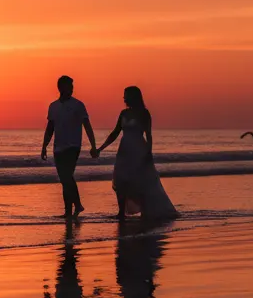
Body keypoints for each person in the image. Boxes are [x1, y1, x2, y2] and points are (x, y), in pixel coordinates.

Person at [98, 86, 178, 221]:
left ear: (134, 97)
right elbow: (115, 133)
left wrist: (148, 153)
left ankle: (145, 211)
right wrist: (100, 148)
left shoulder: (144, 113)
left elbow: (149, 135)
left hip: (138, 150)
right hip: (124, 151)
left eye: (126, 95)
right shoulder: (123, 113)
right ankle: (121, 212)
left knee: (140, 181)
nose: (124, 98)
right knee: (120, 179)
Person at [41, 76, 99, 217]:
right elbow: (50, 128)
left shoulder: (78, 105)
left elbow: (87, 125)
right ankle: (69, 211)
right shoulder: (53, 106)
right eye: (69, 86)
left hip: (73, 146)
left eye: (72, 86)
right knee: (64, 179)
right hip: (58, 147)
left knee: (66, 176)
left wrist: (93, 145)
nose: (72, 89)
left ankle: (77, 205)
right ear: (60, 87)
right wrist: (44, 146)